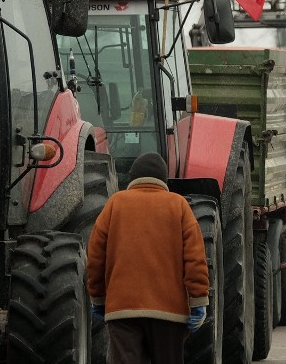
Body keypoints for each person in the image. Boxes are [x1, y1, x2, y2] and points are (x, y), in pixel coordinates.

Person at [86, 152, 209, 363]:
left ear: (133, 178)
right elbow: (195, 257)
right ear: (163, 179)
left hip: (122, 311)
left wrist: (98, 297)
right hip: (169, 315)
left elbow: (96, 255)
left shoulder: (115, 203)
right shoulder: (178, 205)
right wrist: (198, 300)